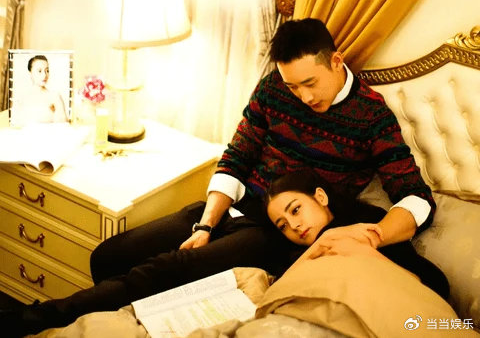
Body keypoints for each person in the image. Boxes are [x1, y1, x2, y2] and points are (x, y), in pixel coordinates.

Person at [1, 18, 437, 337]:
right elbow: (237, 155)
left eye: (310, 83)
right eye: (293, 86)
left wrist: (373, 236)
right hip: (233, 205)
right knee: (109, 256)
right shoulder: (273, 88)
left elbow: (415, 198)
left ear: (336, 61)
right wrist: (206, 224)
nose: (303, 97)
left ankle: (30, 320)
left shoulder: (370, 115)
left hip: (276, 230)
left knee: (166, 269)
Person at [265, 169, 449, 300]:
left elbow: (427, 282)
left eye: (296, 210)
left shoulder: (368, 221)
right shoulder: (295, 258)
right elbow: (278, 291)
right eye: (283, 226)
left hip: (414, 297)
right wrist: (322, 244)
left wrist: (346, 243)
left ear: (320, 197)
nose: (294, 226)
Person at [12, 55, 68, 125]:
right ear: (30, 73)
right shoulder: (21, 97)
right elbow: (15, 124)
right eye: (39, 71)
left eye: (47, 71)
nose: (44, 75)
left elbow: (63, 125)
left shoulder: (55, 96)